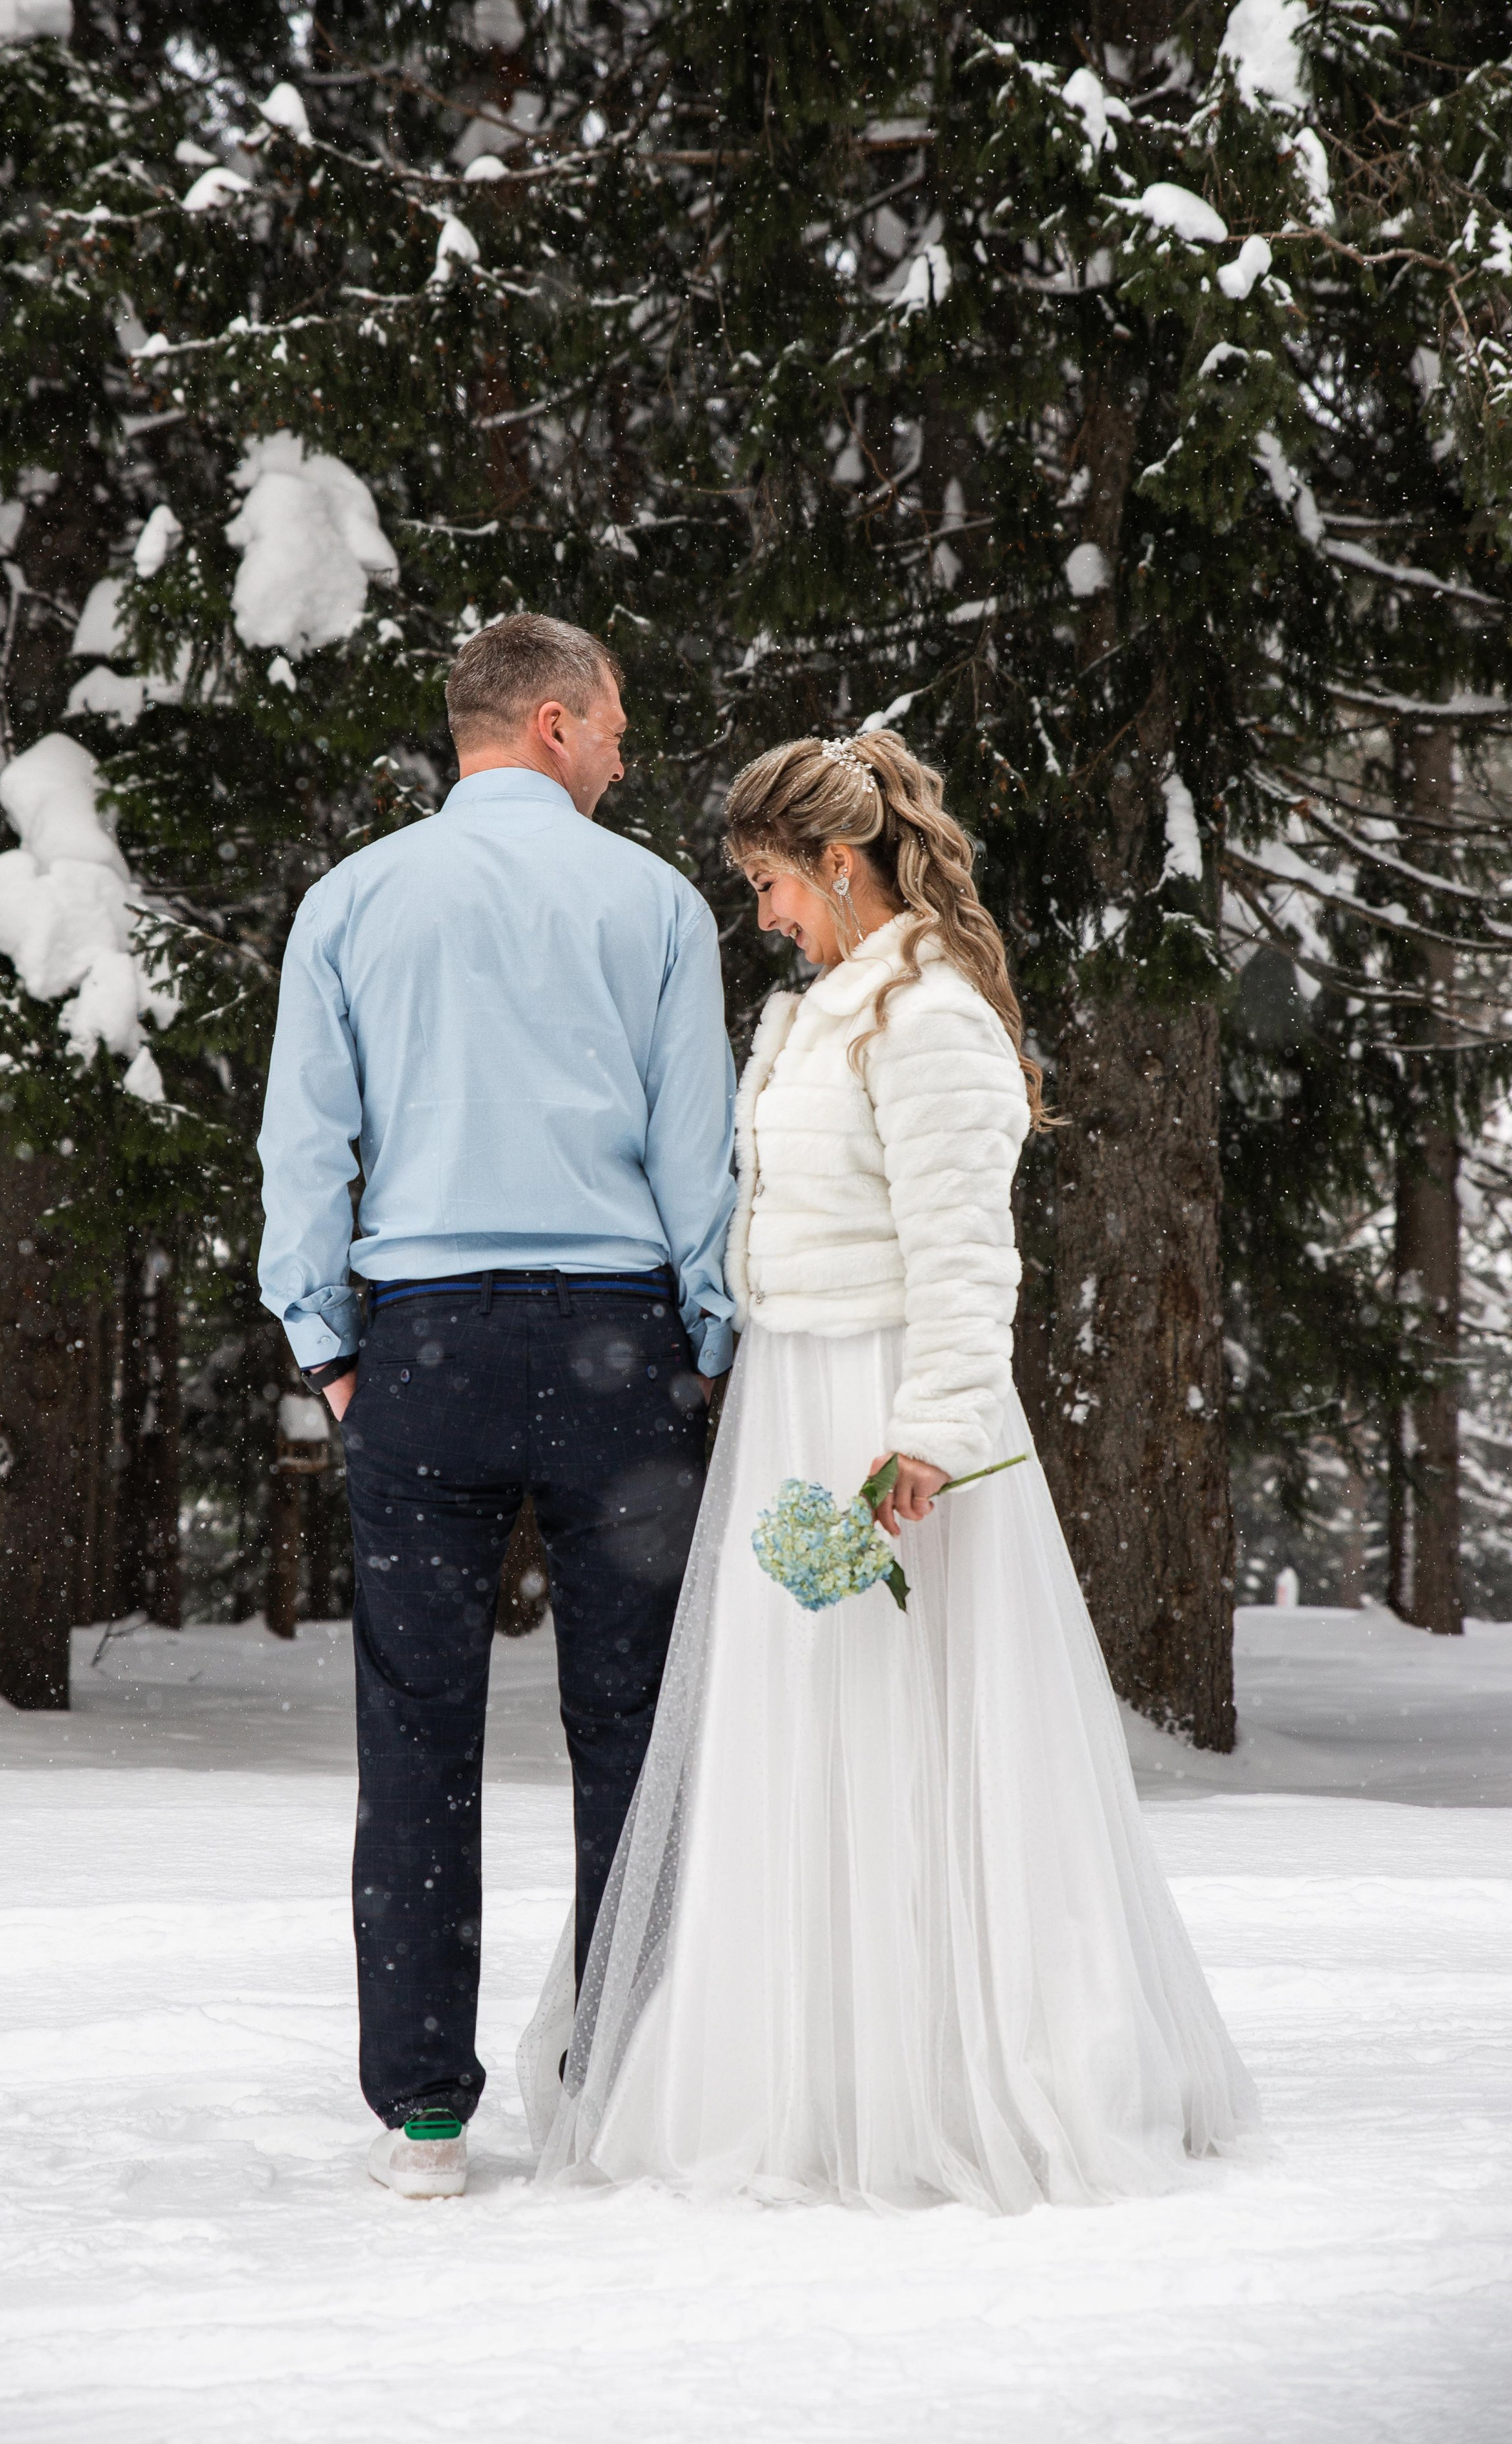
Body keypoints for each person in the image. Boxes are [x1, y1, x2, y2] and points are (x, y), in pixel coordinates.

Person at [521, 731, 1259, 2213]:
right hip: (794, 1398)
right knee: (797, 1727)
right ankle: (801, 2055)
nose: (764, 917)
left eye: (770, 884)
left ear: (838, 863)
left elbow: (965, 1252)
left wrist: (923, 1433)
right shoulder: (818, 1014)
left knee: (902, 1725)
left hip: (885, 1415)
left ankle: (938, 2062)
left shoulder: (926, 1018)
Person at [258, 612, 736, 2201]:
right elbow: (696, 1156)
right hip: (619, 1347)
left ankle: (422, 2112)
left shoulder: (350, 898)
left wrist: (328, 1342)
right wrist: (712, 1334)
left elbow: (300, 1146)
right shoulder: (655, 903)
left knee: (413, 1733)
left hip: (425, 1351)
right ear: (546, 722)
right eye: (609, 724)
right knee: (635, 1735)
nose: (622, 749)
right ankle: (617, 2080)